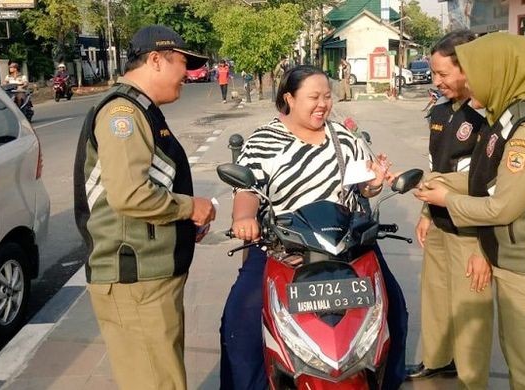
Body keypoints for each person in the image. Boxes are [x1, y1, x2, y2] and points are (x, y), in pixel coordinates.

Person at [414, 33, 525, 389]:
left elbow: (501, 205)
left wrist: (446, 200)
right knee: (520, 362)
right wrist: (441, 182)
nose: (467, 81)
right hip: (517, 262)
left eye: (475, 71)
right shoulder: (506, 120)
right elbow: (485, 179)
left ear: (501, 72)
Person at [220, 65, 408, 390]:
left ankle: (387, 381)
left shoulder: (344, 138)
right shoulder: (264, 141)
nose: (322, 104)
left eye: (327, 96)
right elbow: (247, 190)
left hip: (345, 245)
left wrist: (375, 183)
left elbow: (363, 189)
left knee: (394, 309)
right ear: (289, 98)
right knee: (240, 320)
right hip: (281, 247)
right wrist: (243, 219)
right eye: (313, 97)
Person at [73, 24, 216, 390]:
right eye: (183, 63)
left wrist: (182, 224)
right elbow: (129, 194)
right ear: (155, 60)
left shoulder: (142, 110)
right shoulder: (123, 114)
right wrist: (189, 208)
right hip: (135, 279)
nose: (189, 74)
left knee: (164, 377)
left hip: (150, 276)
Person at [405, 30, 493, 389]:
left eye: (443, 74)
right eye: (434, 73)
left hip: (472, 228)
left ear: (467, 67)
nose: (436, 81)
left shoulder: (491, 116)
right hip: (441, 222)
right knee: (437, 296)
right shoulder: (440, 112)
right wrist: (427, 215)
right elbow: (437, 167)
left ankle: (472, 378)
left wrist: (486, 248)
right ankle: (438, 360)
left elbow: (490, 183)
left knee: (472, 307)